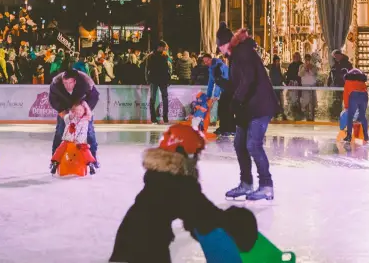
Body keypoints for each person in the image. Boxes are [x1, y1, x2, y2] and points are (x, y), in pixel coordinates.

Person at [110, 123, 257, 263]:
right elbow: (205, 216)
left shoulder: (162, 176)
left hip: (132, 242)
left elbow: (194, 218)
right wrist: (238, 221)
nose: (197, 160)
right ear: (186, 155)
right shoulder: (178, 184)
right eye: (196, 154)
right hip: (144, 248)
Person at [221, 28, 277, 202]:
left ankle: (266, 186)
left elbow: (248, 80)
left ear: (225, 44)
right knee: (240, 144)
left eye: (220, 46)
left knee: (253, 144)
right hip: (247, 108)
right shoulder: (236, 56)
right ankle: (246, 183)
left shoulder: (242, 52)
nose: (220, 51)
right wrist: (218, 80)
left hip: (259, 106)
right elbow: (236, 84)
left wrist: (236, 101)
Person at [49, 68, 100, 165]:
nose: (67, 85)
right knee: (60, 132)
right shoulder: (56, 84)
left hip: (82, 109)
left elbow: (94, 96)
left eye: (70, 83)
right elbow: (53, 99)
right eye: (65, 83)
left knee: (89, 133)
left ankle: (93, 160)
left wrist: (85, 110)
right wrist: (62, 112)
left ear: (75, 81)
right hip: (65, 109)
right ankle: (55, 161)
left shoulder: (85, 82)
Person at [50, 100, 96, 175]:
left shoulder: (85, 121)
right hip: (68, 140)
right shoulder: (71, 118)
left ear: (84, 110)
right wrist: (70, 115)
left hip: (79, 142)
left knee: (85, 150)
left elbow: (83, 132)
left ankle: (90, 163)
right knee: (60, 149)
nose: (78, 112)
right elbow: (66, 119)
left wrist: (78, 141)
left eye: (80, 110)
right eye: (77, 110)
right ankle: (55, 163)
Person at [146, 42, 172, 124]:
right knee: (159, 98)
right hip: (158, 79)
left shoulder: (162, 56)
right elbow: (168, 69)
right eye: (163, 47)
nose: (164, 49)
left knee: (158, 98)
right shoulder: (155, 56)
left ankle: (160, 118)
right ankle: (160, 118)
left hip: (158, 79)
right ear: (159, 47)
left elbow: (168, 69)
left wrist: (147, 79)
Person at [342, 67, 369, 143]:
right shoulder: (362, 82)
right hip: (364, 96)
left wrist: (346, 106)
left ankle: (349, 136)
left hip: (354, 95)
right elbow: (366, 93)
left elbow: (345, 95)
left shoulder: (348, 81)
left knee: (350, 117)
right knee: (363, 116)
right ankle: (366, 135)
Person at [268, 55, 286, 121]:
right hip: (275, 88)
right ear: (274, 61)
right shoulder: (273, 69)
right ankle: (276, 114)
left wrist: (283, 80)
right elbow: (274, 78)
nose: (278, 62)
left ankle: (281, 114)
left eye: (279, 61)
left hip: (278, 87)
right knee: (277, 101)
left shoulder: (278, 69)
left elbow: (281, 77)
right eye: (277, 61)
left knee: (281, 101)